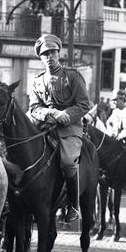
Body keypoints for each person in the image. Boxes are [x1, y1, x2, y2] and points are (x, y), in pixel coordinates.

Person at [28, 34, 92, 222]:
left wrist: (65, 115)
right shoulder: (37, 80)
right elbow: (33, 108)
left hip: (68, 129)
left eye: (52, 52)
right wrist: (52, 114)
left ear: (59, 53)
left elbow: (84, 105)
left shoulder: (72, 76)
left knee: (68, 162)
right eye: (45, 54)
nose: (49, 57)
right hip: (43, 127)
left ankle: (73, 205)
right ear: (40, 57)